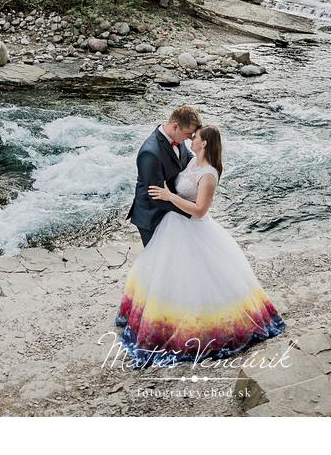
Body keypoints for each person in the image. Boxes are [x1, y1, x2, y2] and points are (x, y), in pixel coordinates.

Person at [114, 124, 286, 368]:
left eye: (194, 138)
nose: (190, 140)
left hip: (193, 228)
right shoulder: (191, 160)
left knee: (200, 278)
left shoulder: (208, 174)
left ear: (204, 143)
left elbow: (200, 211)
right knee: (167, 274)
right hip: (173, 226)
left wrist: (169, 197)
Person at [127, 105, 202, 247]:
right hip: (152, 216)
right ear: (175, 127)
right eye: (188, 134)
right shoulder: (150, 153)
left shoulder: (178, 139)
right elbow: (156, 197)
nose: (190, 138)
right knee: (157, 262)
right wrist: (194, 210)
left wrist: (206, 175)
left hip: (171, 209)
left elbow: (188, 161)